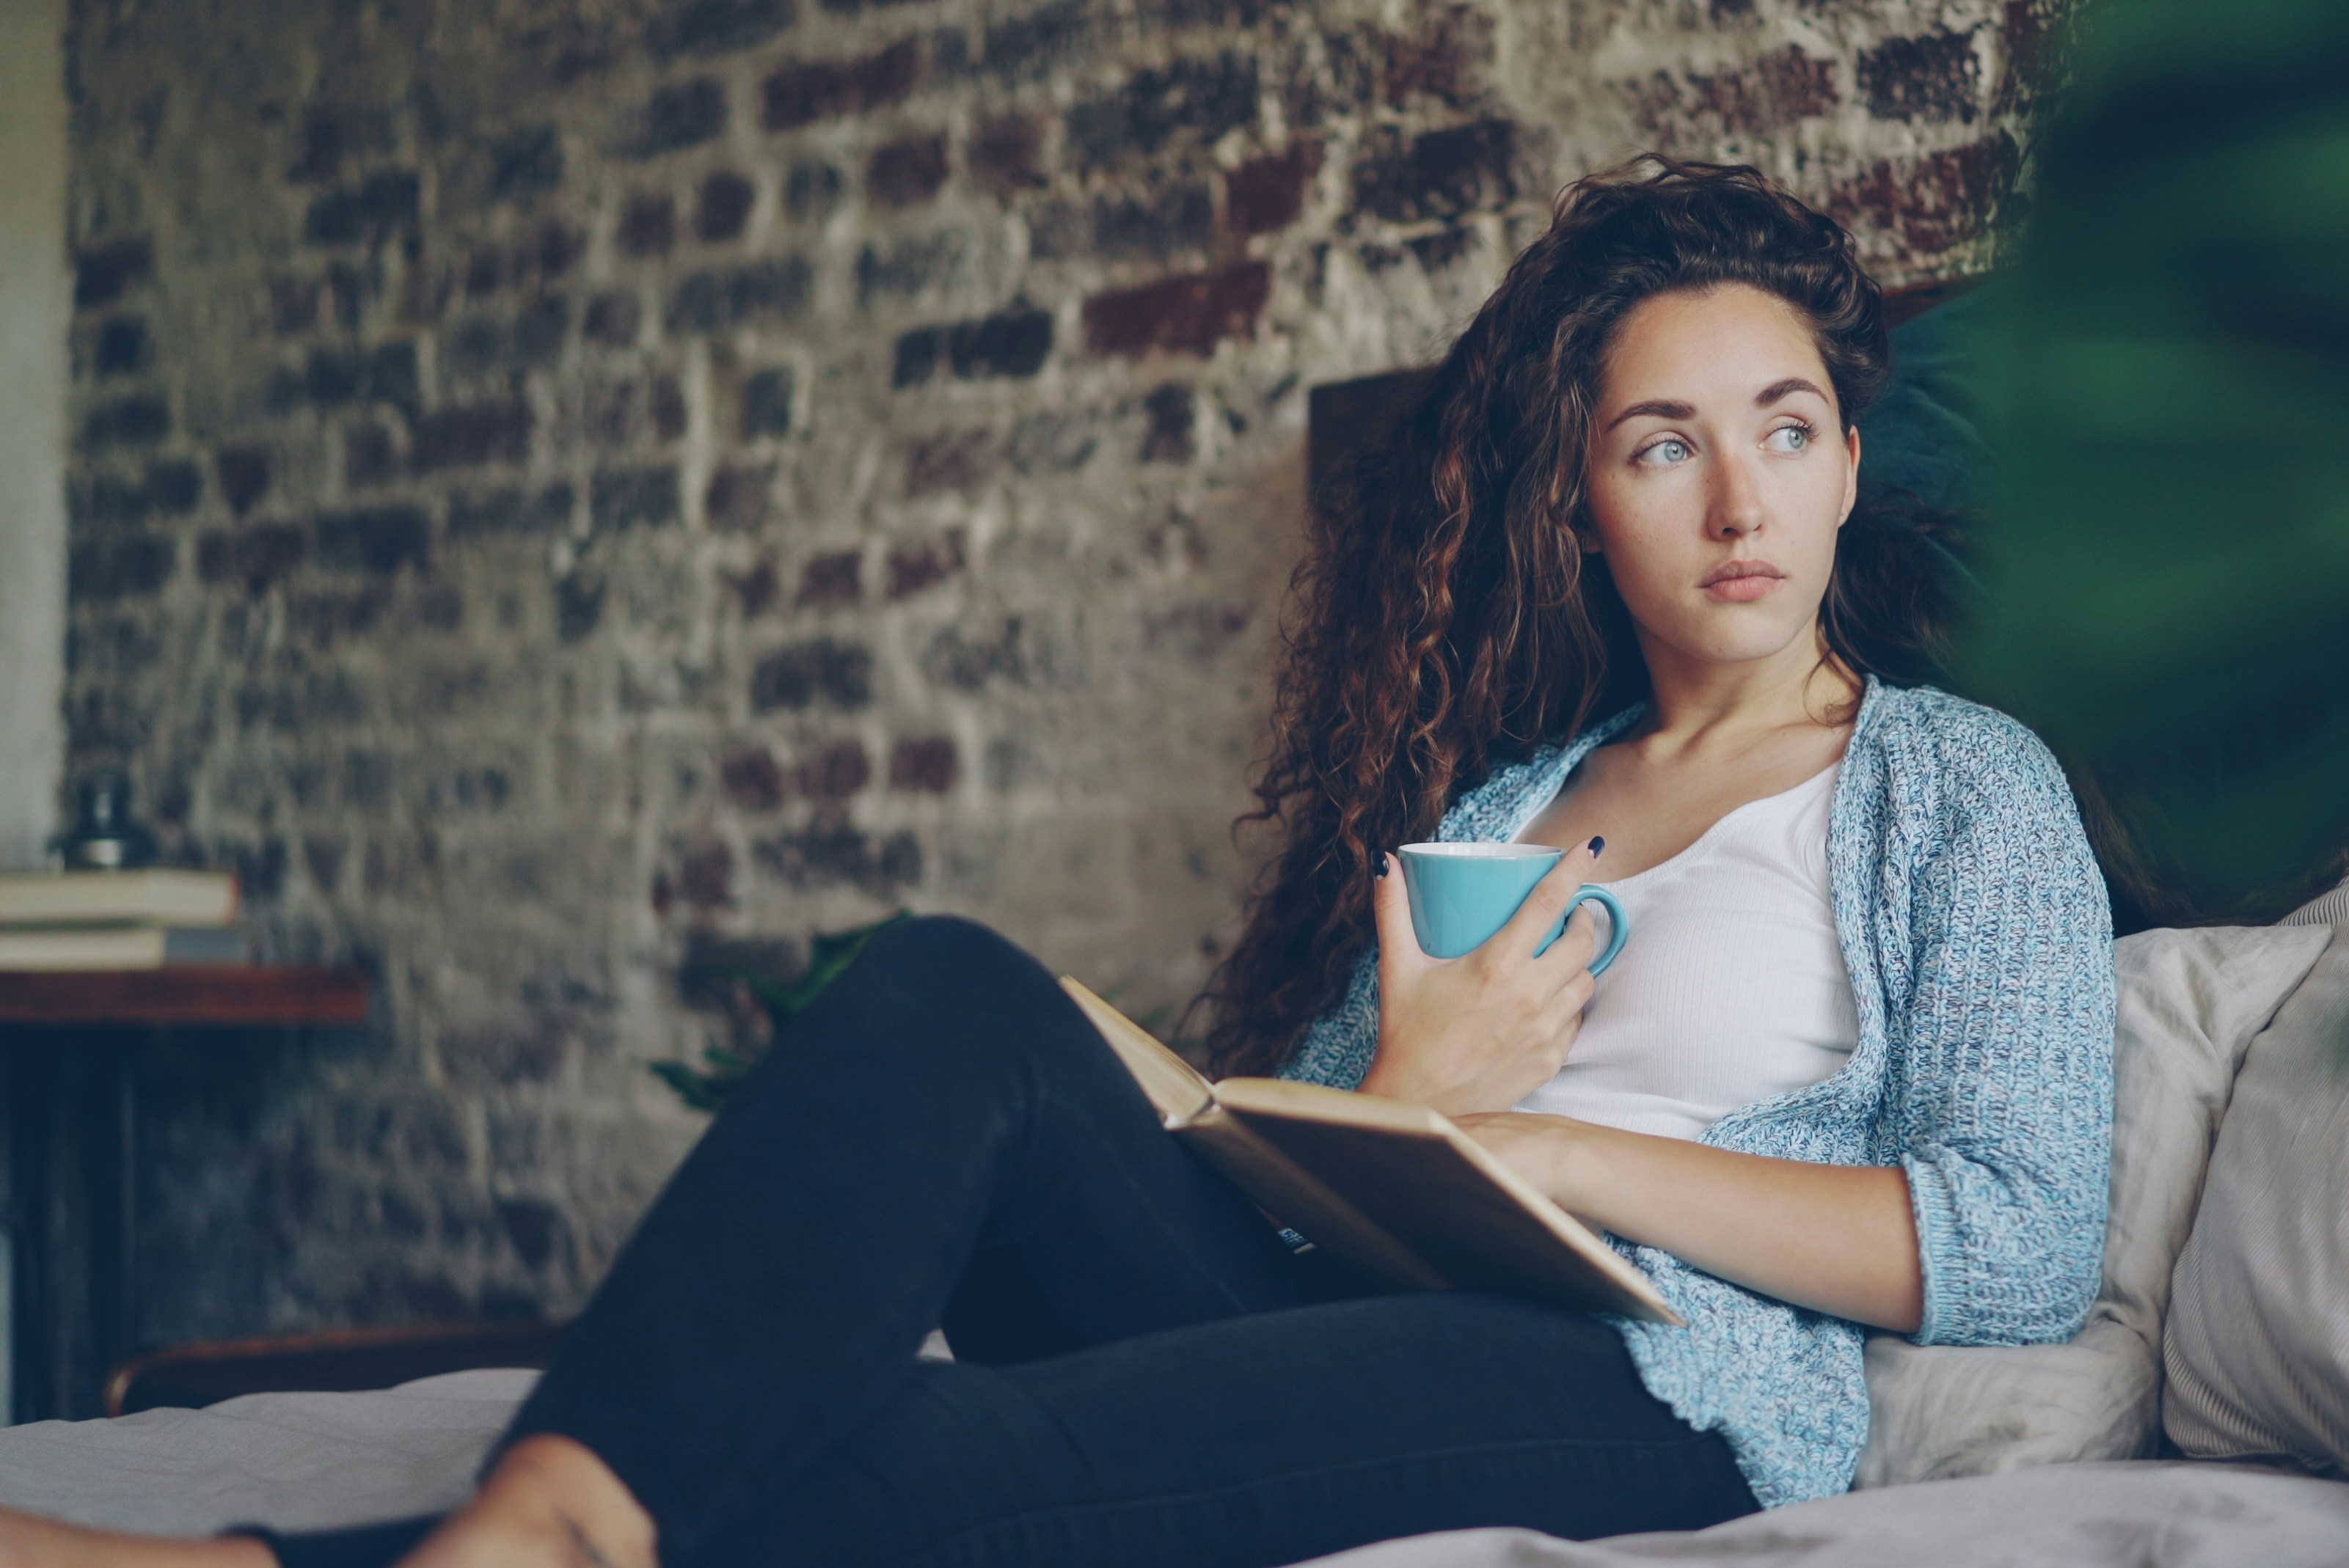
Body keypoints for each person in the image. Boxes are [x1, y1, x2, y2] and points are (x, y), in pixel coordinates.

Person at [0, 157, 2114, 1568]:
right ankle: (523, 1518)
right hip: (1358, 1283)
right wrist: (1400, 1103)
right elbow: (1306, 1166)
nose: (1737, 493)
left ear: (1849, 460)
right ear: (1588, 501)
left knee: (956, 1472)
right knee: (937, 983)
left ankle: (273, 1566)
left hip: (1642, 1371)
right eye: (1665, 441)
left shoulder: (1950, 784)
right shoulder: (1505, 801)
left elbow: (2014, 1239)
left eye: (1789, 424)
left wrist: (1557, 1161)